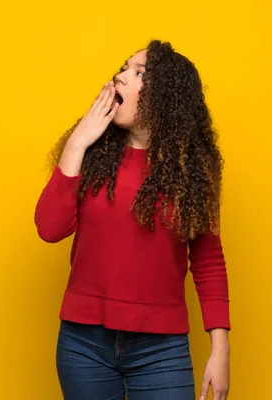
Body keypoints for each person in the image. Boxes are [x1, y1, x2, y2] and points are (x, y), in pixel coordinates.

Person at [34, 40, 231, 400]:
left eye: (138, 72)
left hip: (161, 350)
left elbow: (208, 262)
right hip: (83, 344)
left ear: (166, 97)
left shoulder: (191, 170)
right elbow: (49, 229)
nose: (121, 76)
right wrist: (76, 145)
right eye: (123, 68)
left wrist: (220, 350)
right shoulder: (92, 154)